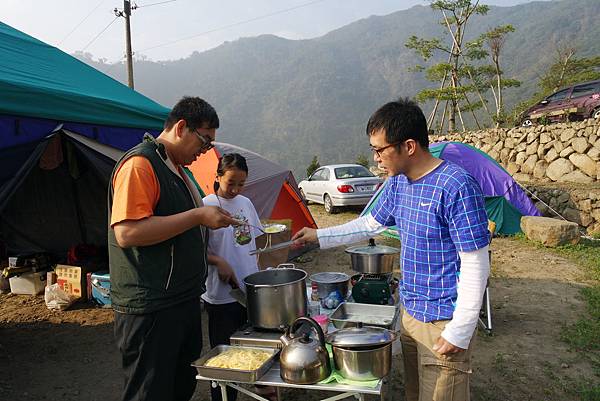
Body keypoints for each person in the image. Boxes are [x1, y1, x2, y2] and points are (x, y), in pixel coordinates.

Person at [292, 98, 490, 401]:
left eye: (380, 150)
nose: (376, 158)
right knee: (413, 393)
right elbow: (369, 224)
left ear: (409, 146)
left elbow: (476, 263)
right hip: (410, 314)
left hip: (443, 319)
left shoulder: (456, 186)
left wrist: (460, 330)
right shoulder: (399, 182)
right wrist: (318, 236)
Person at [108, 96, 239, 401]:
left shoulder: (178, 168)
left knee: (180, 384)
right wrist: (197, 215)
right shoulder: (141, 165)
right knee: (150, 390)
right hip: (151, 305)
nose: (205, 151)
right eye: (204, 141)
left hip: (182, 298)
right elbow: (127, 232)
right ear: (182, 127)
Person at [201, 153, 264, 401]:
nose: (236, 189)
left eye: (241, 183)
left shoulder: (245, 203)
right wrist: (218, 261)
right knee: (223, 356)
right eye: (230, 183)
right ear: (217, 177)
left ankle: (261, 391)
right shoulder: (205, 206)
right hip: (221, 294)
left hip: (249, 288)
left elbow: (254, 240)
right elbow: (195, 248)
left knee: (254, 348)